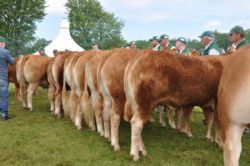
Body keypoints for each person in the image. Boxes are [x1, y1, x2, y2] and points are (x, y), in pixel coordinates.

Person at [0, 36, 14, 120]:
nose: (5, 45)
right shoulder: (5, 52)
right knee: (4, 96)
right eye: (5, 43)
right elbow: (12, 62)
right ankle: (4, 114)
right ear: (1, 43)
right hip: (2, 77)